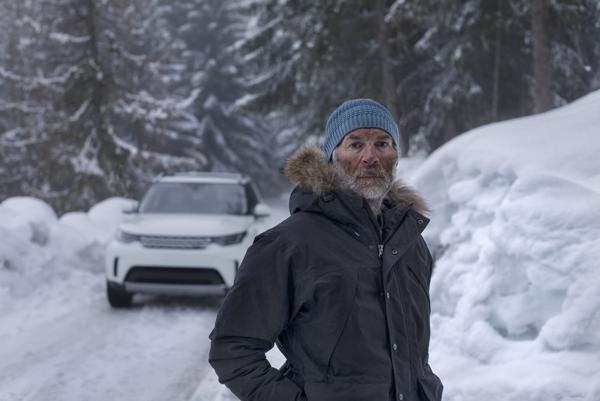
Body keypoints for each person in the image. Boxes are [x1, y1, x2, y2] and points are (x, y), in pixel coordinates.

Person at [209, 98, 443, 401]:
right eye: (355, 144)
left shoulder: (410, 243)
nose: (370, 157)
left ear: (396, 156)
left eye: (383, 143)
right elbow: (232, 350)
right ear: (332, 157)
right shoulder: (288, 245)